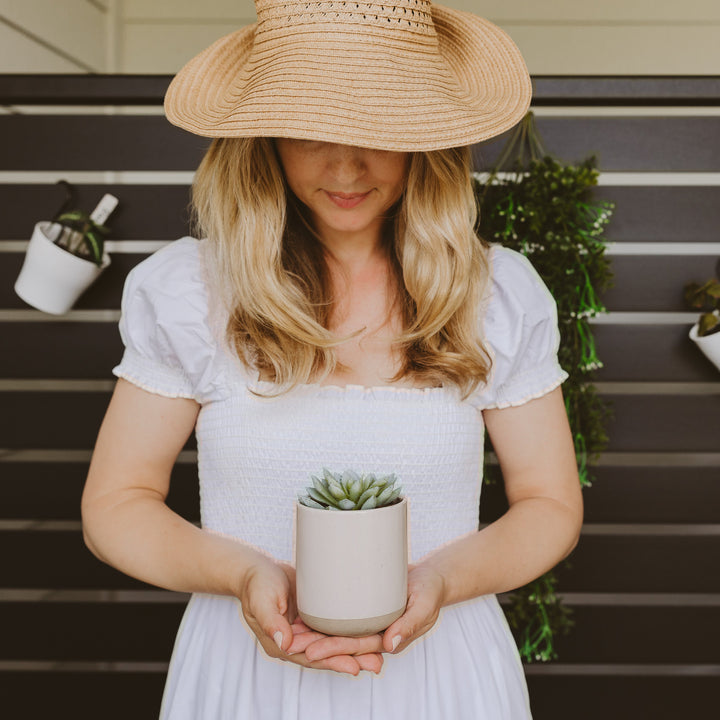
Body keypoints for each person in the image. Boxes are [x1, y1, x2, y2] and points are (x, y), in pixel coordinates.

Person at [81, 1, 583, 718]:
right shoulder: (189, 291)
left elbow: (551, 504)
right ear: (265, 137)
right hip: (245, 673)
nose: (346, 165)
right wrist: (245, 573)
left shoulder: (497, 293)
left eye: (378, 129)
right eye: (313, 129)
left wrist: (439, 579)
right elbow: (113, 506)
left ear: (424, 141)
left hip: (444, 675)